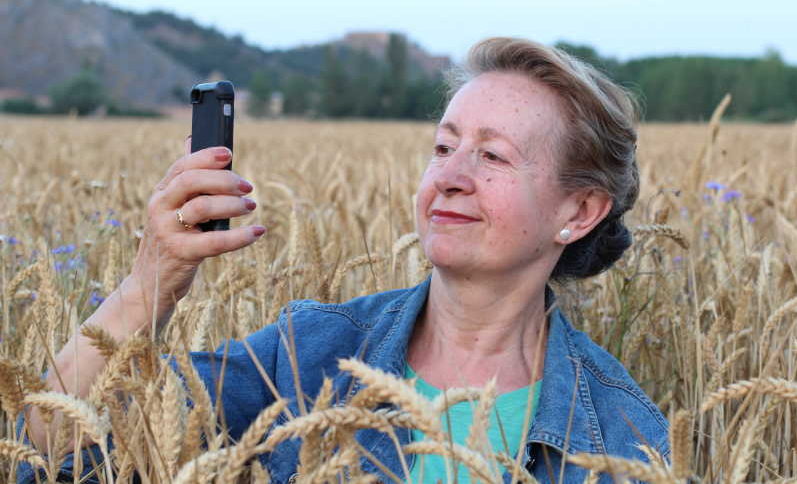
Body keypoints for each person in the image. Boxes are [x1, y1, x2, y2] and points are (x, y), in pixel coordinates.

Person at [18, 37, 670, 484]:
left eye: (493, 156)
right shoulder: (308, 354)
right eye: (443, 148)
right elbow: (52, 443)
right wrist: (150, 281)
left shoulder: (623, 436)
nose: (450, 177)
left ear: (579, 210)